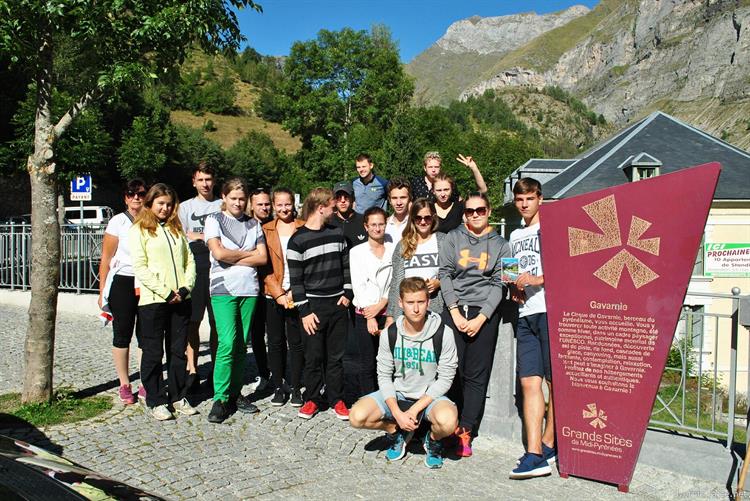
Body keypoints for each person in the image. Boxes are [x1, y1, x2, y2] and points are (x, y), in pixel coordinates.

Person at [349, 277, 458, 469]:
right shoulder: (390, 333)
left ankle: (432, 441)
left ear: (428, 302)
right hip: (398, 394)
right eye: (410, 303)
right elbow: (383, 375)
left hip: (429, 398)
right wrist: (397, 413)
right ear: (400, 303)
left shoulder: (444, 333)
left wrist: (415, 409)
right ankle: (395, 431)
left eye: (420, 302)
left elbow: (446, 378)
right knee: (357, 416)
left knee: (448, 422)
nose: (416, 309)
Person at [439, 191, 510, 457]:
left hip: (484, 313)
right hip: (454, 310)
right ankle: (447, 425)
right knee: (451, 371)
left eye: (480, 210)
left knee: (476, 376)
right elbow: (445, 274)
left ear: (489, 211)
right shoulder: (452, 238)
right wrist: (455, 312)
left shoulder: (503, 245)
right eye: (470, 211)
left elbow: (500, 283)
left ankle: (467, 430)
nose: (475, 215)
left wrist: (482, 318)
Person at [130, 183, 197, 421]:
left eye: (169, 204)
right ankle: (156, 398)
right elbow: (141, 267)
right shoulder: (139, 230)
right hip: (154, 301)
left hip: (181, 298)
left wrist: (186, 287)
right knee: (153, 351)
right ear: (150, 204)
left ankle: (178, 396)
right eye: (160, 204)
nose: (165, 208)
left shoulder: (176, 229)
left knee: (178, 351)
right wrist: (166, 292)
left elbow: (190, 262)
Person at [204, 178, 268, 423]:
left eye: (242, 199)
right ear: (224, 197)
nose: (238, 203)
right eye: (233, 198)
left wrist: (233, 258)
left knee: (242, 344)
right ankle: (219, 397)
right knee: (227, 343)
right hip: (222, 289)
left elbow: (262, 258)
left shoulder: (253, 224)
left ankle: (235, 392)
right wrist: (247, 254)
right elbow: (217, 253)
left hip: (248, 290)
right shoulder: (214, 220)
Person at [287, 188, 352, 420]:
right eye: (333, 207)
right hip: (312, 308)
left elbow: (346, 266)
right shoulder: (297, 240)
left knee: (336, 357)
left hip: (337, 305)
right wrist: (304, 311)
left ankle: (337, 399)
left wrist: (348, 293)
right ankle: (312, 398)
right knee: (313, 357)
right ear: (321, 207)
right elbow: (296, 281)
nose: (335, 211)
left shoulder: (337, 233)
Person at [508, 177, 555, 479]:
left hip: (550, 310)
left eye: (529, 198)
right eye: (519, 199)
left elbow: (565, 266)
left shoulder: (550, 227)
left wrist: (537, 279)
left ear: (540, 198)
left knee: (555, 383)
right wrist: (514, 287)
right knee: (529, 383)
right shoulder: (514, 234)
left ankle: (548, 442)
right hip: (525, 313)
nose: (524, 204)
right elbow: (511, 270)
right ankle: (535, 452)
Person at [98, 178, 147, 405]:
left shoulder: (152, 219)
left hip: (146, 282)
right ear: (125, 197)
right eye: (131, 193)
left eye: (141, 193)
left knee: (147, 335)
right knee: (122, 333)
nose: (136, 197)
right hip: (123, 282)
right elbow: (106, 258)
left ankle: (146, 381)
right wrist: (101, 292)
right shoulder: (118, 222)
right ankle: (124, 383)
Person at [178, 162, 221, 391]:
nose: (205, 184)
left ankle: (217, 369)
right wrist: (208, 237)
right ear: (194, 181)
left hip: (218, 270)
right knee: (192, 323)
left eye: (208, 179)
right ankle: (192, 369)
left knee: (217, 324)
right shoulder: (184, 207)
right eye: (200, 179)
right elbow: (181, 236)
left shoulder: (222, 205)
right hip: (194, 270)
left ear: (214, 181)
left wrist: (198, 236)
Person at [262, 188, 306, 407]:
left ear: (294, 204)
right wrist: (278, 293)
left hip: (298, 293)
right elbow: (264, 266)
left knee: (297, 343)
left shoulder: (303, 227)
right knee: (276, 342)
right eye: (279, 204)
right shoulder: (266, 230)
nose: (283, 208)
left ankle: (297, 386)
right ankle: (279, 385)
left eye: (287, 204)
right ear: (273, 205)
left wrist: (295, 292)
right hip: (274, 294)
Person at [349, 207, 394, 396]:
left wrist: (382, 304)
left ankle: (389, 398)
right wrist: (370, 315)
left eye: (381, 224)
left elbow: (396, 281)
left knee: (388, 360)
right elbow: (358, 284)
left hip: (388, 311)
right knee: (367, 361)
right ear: (366, 227)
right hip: (365, 313)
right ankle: (369, 399)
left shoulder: (394, 249)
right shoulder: (357, 252)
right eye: (373, 225)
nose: (377, 228)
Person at [385, 199, 444, 327]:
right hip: (407, 311)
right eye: (418, 218)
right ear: (412, 219)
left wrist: (439, 282)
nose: (423, 222)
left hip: (435, 308)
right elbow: (396, 282)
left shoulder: (443, 241)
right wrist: (390, 315)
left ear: (433, 218)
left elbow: (453, 273)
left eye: (427, 218)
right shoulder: (403, 245)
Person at [247, 188, 272, 392]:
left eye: (266, 203)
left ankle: (279, 374)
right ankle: (263, 373)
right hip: (252, 287)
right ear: (252, 205)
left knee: (275, 335)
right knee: (256, 335)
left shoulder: (276, 225)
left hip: (273, 288)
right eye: (260, 204)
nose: (264, 207)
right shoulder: (246, 225)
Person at [411, 152, 488, 202]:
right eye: (430, 167)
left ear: (440, 168)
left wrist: (474, 168)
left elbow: (482, 190)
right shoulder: (416, 182)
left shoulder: (448, 183)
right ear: (425, 168)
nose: (433, 170)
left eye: (436, 167)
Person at [329, 180, 367, 250]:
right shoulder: (328, 223)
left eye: (346, 197)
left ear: (353, 198)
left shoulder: (364, 221)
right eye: (338, 197)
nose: (343, 201)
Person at [384, 177, 411, 246]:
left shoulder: (417, 223)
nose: (399, 202)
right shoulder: (384, 224)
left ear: (409, 199)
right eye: (394, 198)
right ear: (390, 200)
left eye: (403, 197)